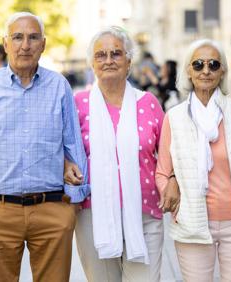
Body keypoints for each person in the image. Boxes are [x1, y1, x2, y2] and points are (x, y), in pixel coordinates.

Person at [0, 12, 89, 282]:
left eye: (33, 37)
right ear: (5, 44)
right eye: (18, 37)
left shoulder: (59, 86)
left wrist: (70, 206)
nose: (25, 45)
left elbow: (74, 146)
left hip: (52, 210)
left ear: (43, 44)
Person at [155, 39, 231, 282]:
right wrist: (178, 208)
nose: (205, 70)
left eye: (213, 64)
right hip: (193, 224)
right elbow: (162, 172)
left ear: (222, 71)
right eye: (198, 64)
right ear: (188, 71)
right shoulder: (174, 117)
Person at [64, 26, 165, 281]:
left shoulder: (149, 104)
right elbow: (61, 149)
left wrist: (172, 182)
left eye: (116, 53)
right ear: (92, 63)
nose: (108, 60)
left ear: (129, 60)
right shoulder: (78, 104)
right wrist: (66, 164)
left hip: (144, 214)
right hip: (93, 216)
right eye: (101, 55)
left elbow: (167, 155)